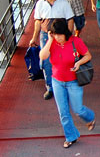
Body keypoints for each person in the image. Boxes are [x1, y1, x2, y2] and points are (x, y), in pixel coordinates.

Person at [39, 19, 96, 148]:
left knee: (78, 109)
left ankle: (90, 117)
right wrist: (50, 40)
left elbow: (87, 55)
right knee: (63, 112)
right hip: (57, 81)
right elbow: (42, 56)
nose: (57, 37)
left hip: (73, 81)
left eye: (59, 34)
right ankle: (71, 136)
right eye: (54, 34)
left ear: (65, 33)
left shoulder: (75, 41)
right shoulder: (52, 42)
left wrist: (78, 63)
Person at [29, 0, 75, 100]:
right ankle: (50, 87)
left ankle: (64, 85)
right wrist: (34, 37)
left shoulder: (64, 3)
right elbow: (38, 22)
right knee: (46, 62)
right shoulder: (40, 4)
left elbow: (70, 19)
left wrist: (69, 36)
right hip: (46, 35)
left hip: (61, 36)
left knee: (63, 60)